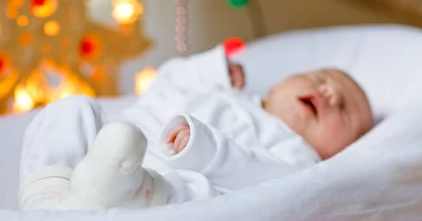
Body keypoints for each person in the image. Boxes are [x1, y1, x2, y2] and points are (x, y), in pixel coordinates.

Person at [18, 44, 373, 211]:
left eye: (345, 109)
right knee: (74, 109)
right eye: (319, 78)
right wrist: (210, 70)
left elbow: (263, 177)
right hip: (114, 141)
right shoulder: (226, 90)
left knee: (190, 192)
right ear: (278, 85)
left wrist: (206, 150)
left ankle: (101, 199)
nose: (329, 93)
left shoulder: (300, 155)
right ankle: (48, 194)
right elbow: (165, 83)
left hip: (155, 183)